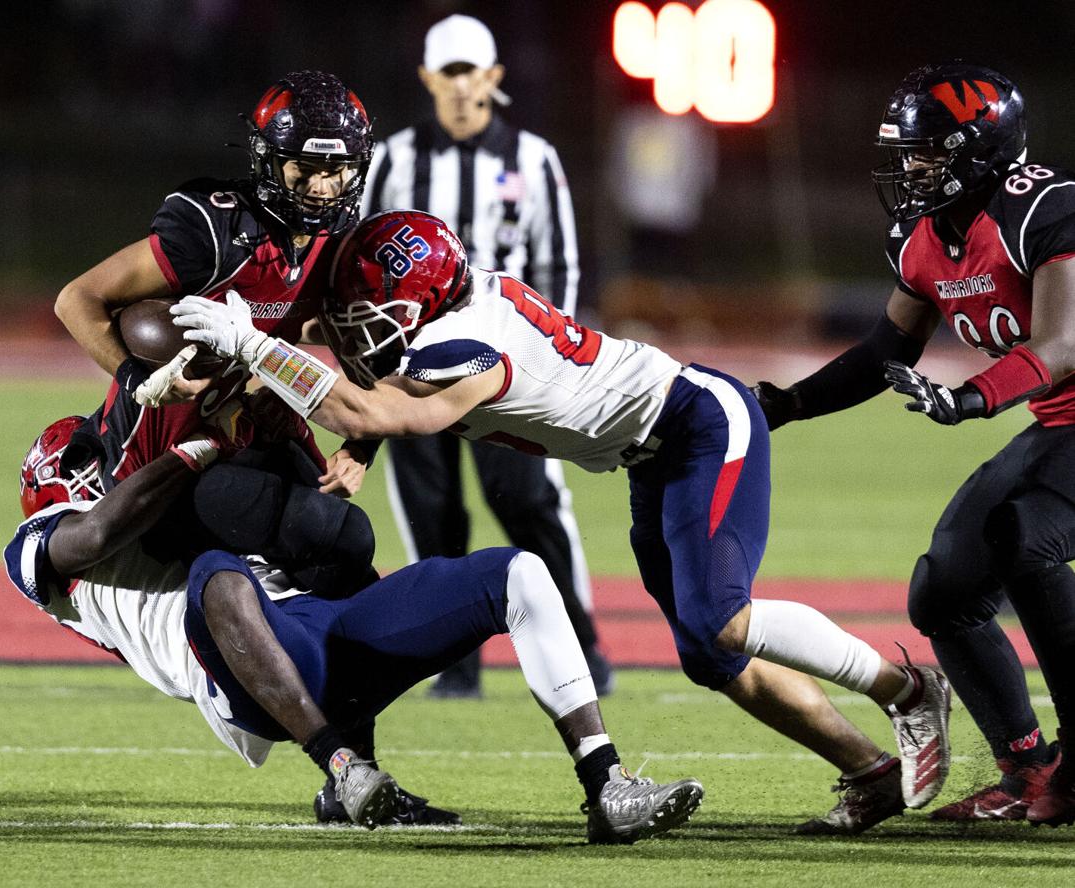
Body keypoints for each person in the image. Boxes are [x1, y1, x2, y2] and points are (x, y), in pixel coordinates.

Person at [171, 209, 954, 835]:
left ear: (417, 302)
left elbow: (380, 405)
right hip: (650, 454)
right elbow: (347, 355)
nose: (352, 328)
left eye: (369, 312)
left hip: (699, 424)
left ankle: (907, 687)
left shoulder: (462, 347)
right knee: (708, 656)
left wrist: (251, 344)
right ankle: (869, 772)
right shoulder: (455, 302)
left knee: (720, 619)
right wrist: (258, 336)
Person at [4, 405, 706, 843]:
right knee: (216, 569)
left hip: (314, 628)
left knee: (513, 572)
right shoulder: (40, 552)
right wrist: (195, 447)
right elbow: (96, 535)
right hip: (238, 672)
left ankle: (605, 785)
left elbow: (313, 520)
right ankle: (341, 768)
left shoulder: (172, 511)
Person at [750, 63, 1074, 827]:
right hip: (1056, 424)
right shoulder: (926, 236)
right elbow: (882, 351)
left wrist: (969, 398)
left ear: (978, 147)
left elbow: (1063, 346)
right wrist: (786, 405)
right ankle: (1029, 769)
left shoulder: (1043, 208)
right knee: (945, 588)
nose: (910, 167)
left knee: (1024, 538)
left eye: (926, 151)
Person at [358, 14, 607, 697]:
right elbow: (359, 261)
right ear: (428, 79)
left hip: (506, 364)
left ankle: (582, 646)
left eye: (472, 72)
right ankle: (455, 660)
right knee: (431, 514)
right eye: (449, 73)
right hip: (414, 366)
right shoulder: (394, 159)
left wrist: (551, 358)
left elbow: (558, 264)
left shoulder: (531, 159)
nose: (461, 86)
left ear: (493, 77)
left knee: (529, 502)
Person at [53, 69, 377, 497]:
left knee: (341, 537)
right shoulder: (215, 228)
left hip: (247, 434)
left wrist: (360, 446)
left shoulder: (340, 244)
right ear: (269, 159)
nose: (321, 187)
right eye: (305, 167)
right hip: (157, 445)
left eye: (337, 169)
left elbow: (364, 343)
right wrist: (136, 377)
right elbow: (77, 298)